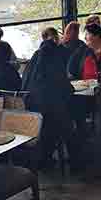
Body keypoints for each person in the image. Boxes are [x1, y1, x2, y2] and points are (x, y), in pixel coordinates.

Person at [21, 27, 76, 167]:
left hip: (31, 110)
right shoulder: (55, 57)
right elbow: (64, 86)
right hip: (51, 111)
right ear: (56, 40)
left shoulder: (36, 56)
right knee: (71, 123)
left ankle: (45, 158)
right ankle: (76, 163)